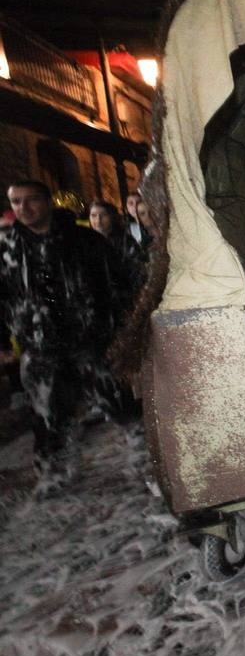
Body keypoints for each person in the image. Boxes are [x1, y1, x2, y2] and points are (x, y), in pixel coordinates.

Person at [1, 180, 126, 493]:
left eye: (31, 200)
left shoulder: (83, 240)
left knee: (118, 402)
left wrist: (119, 328)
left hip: (90, 341)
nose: (24, 209)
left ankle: (147, 463)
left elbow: (118, 283)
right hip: (38, 344)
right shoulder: (7, 248)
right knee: (46, 415)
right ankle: (53, 473)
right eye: (16, 202)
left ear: (48, 201)